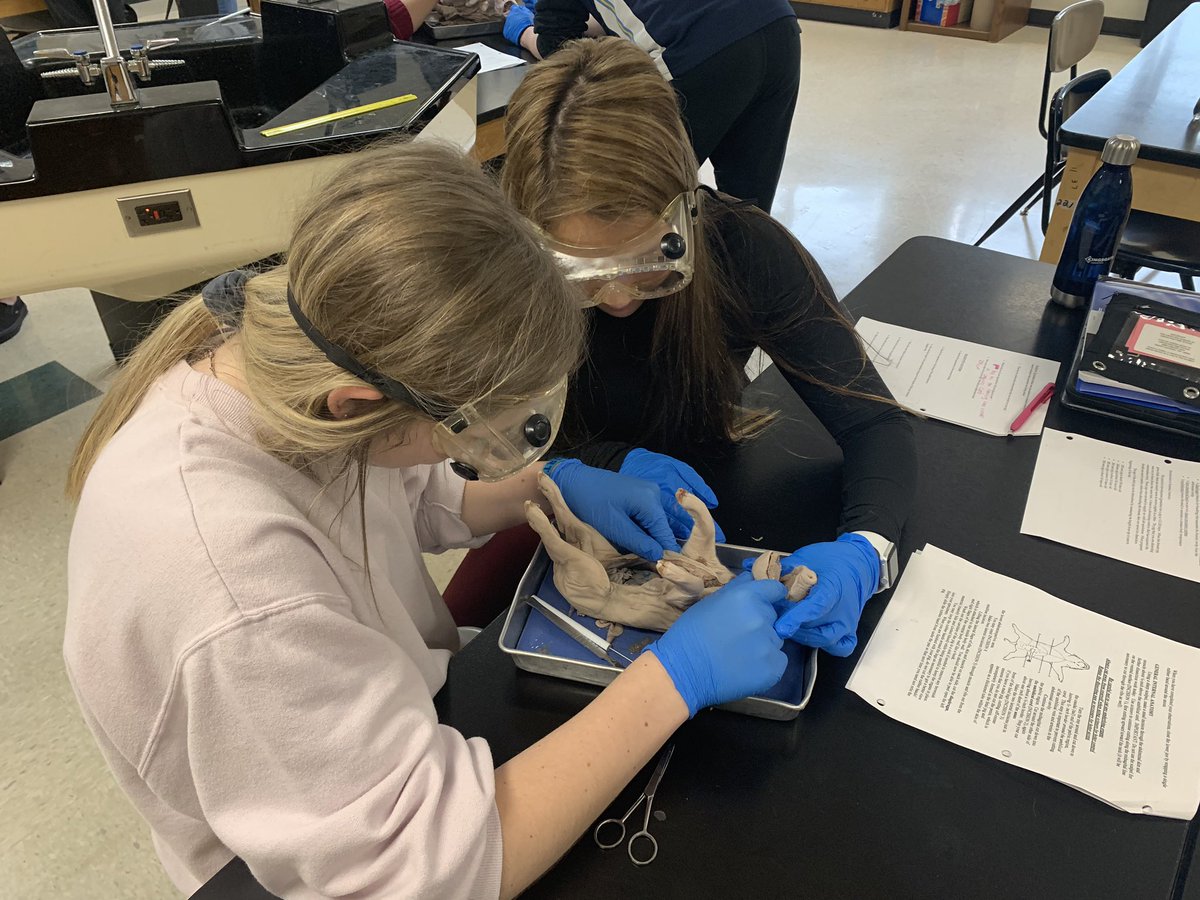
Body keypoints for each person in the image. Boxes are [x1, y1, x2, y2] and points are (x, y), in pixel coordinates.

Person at [63, 140, 789, 899]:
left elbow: (400, 489)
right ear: (361, 407)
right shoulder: (235, 588)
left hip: (378, 726)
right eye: (476, 433)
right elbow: (430, 867)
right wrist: (674, 679)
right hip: (305, 863)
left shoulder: (288, 379)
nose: (484, 452)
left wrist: (544, 489)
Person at [480, 39, 919, 658]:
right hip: (536, 497)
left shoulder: (744, 250)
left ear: (684, 213)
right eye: (580, 274)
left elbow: (876, 422)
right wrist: (569, 470)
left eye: (644, 264)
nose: (618, 299)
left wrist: (865, 554)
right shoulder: (492, 268)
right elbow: (458, 451)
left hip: (704, 493)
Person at [503, 0, 800, 213]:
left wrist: (524, 31)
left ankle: (658, 290)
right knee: (748, 201)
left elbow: (559, 46)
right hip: (776, 24)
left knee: (645, 198)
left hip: (702, 44)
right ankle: (748, 287)